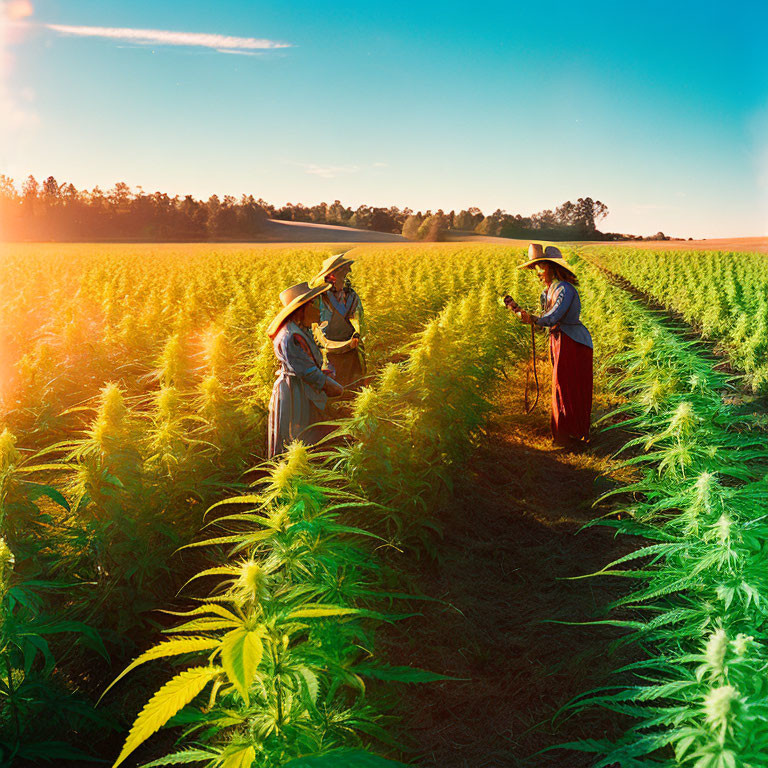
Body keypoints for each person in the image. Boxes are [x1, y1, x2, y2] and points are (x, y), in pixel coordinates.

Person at [510, 244, 593, 447]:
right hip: (558, 340)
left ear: (552, 268)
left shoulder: (564, 289)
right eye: (536, 268)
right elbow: (543, 324)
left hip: (573, 342)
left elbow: (553, 317)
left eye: (541, 267)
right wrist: (521, 313)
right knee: (560, 386)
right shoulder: (546, 292)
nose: (538, 272)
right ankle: (564, 435)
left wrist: (533, 318)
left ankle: (570, 436)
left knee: (568, 387)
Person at [266, 282, 344, 457]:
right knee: (295, 437)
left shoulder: (301, 330)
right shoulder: (290, 336)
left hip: (302, 389)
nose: (319, 310)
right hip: (293, 393)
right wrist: (331, 386)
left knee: (307, 437)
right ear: (302, 308)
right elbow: (308, 372)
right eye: (315, 304)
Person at [310, 252, 366, 390]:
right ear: (332, 275)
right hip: (330, 354)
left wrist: (357, 335)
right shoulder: (321, 299)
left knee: (353, 388)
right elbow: (318, 332)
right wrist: (339, 345)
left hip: (351, 353)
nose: (348, 273)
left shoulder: (351, 296)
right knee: (334, 389)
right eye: (343, 272)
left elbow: (358, 320)